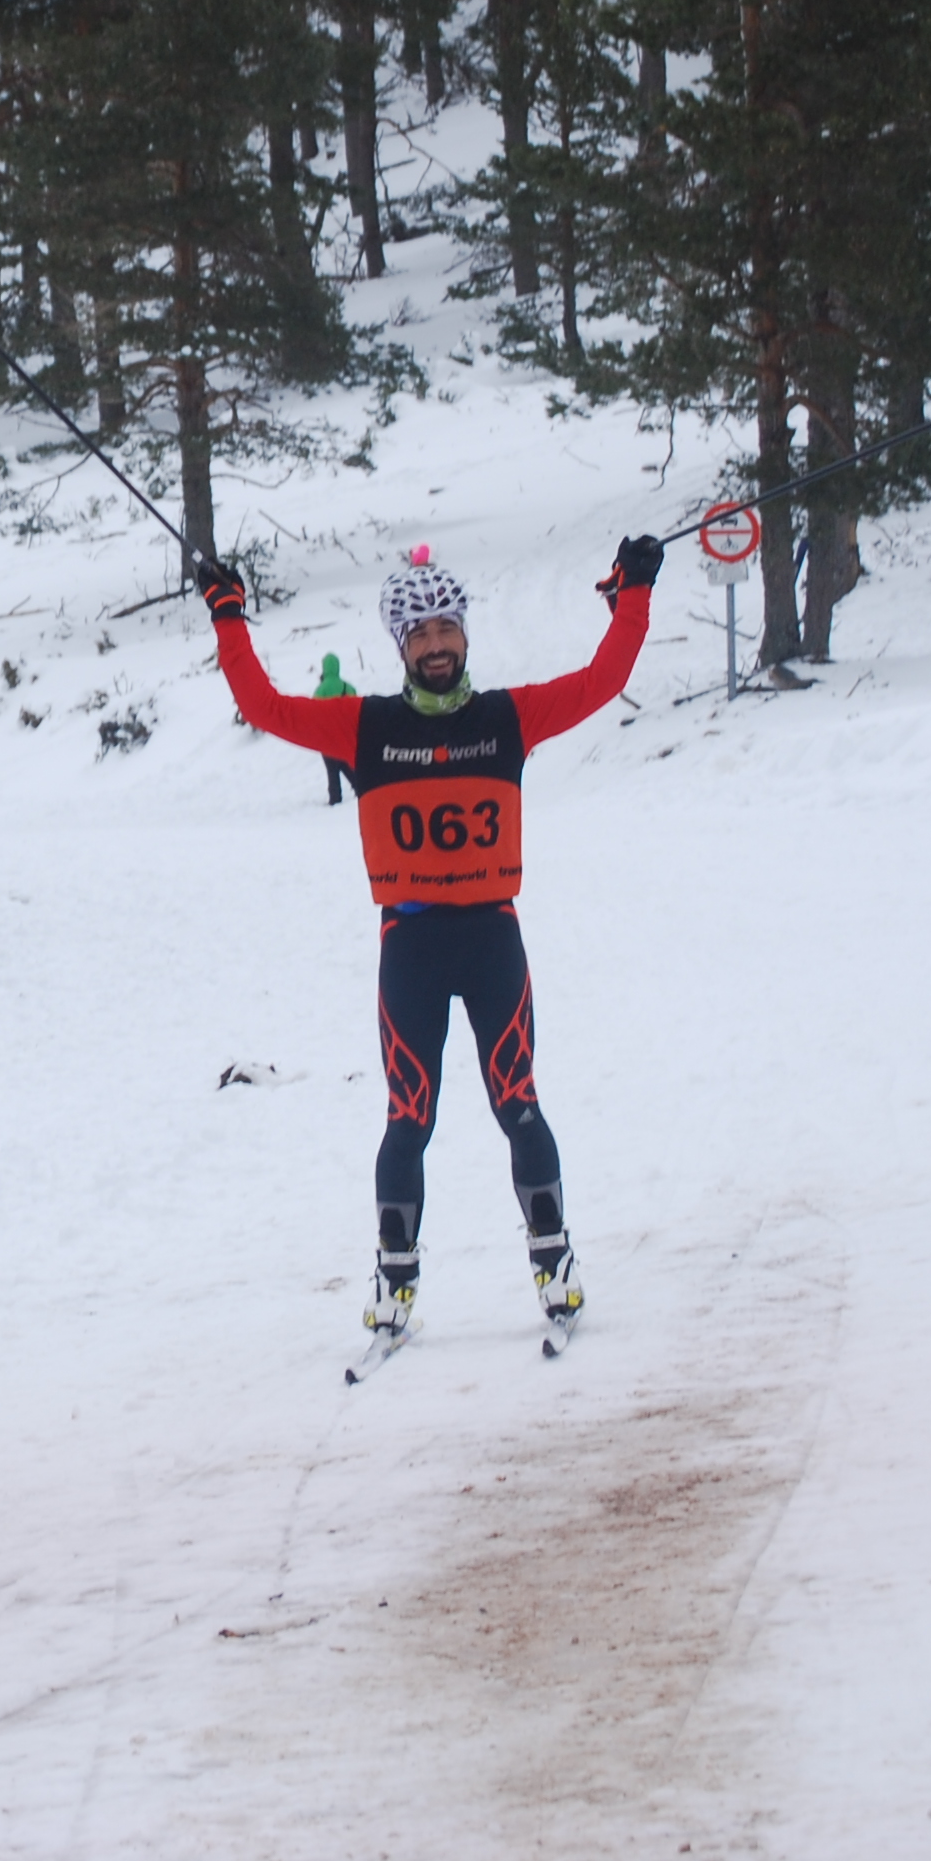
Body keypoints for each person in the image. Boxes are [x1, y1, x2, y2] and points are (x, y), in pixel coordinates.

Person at [198, 536, 659, 1342]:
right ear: (400, 646)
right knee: (409, 1118)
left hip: (491, 939)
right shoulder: (365, 729)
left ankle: (555, 1265)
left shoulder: (506, 718)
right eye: (420, 634)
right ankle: (395, 1278)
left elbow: (603, 682)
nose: (436, 645)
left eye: (447, 630)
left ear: (465, 637)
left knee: (518, 1107)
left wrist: (634, 594)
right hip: (409, 947)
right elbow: (266, 708)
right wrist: (228, 614)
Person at [311, 650, 356, 805]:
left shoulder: (321, 690)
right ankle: (359, 786)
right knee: (344, 763)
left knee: (332, 769)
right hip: (345, 735)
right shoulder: (348, 687)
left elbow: (314, 714)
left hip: (328, 737)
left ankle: (335, 799)